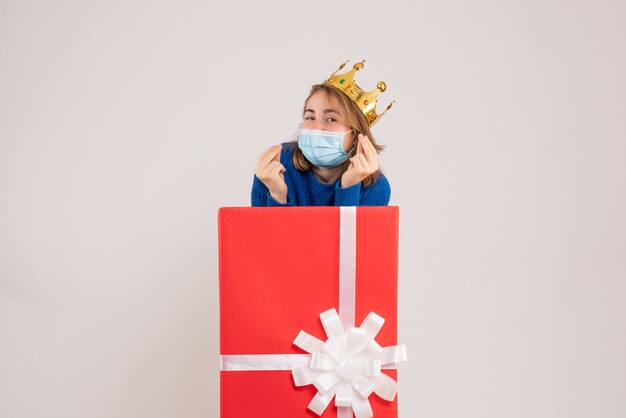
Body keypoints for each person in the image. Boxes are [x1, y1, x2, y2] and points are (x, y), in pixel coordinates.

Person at [251, 61, 394, 207]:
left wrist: (349, 187)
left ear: (356, 134)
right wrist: (277, 195)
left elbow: (348, 231)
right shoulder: (276, 165)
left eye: (331, 119)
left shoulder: (375, 188)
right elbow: (261, 230)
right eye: (310, 118)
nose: (316, 128)